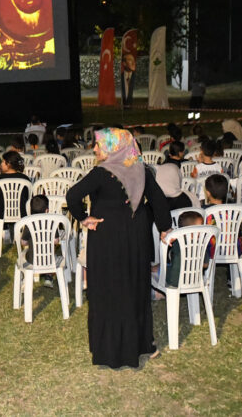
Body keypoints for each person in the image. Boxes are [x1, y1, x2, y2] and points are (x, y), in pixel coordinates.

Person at [64, 128, 171, 369]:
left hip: (107, 238)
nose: (94, 149)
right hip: (136, 237)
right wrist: (165, 227)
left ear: (113, 148)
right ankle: (142, 344)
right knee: (135, 287)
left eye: (99, 145)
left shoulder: (101, 173)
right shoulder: (141, 170)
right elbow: (158, 200)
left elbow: (72, 196)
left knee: (108, 289)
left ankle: (109, 350)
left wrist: (84, 218)